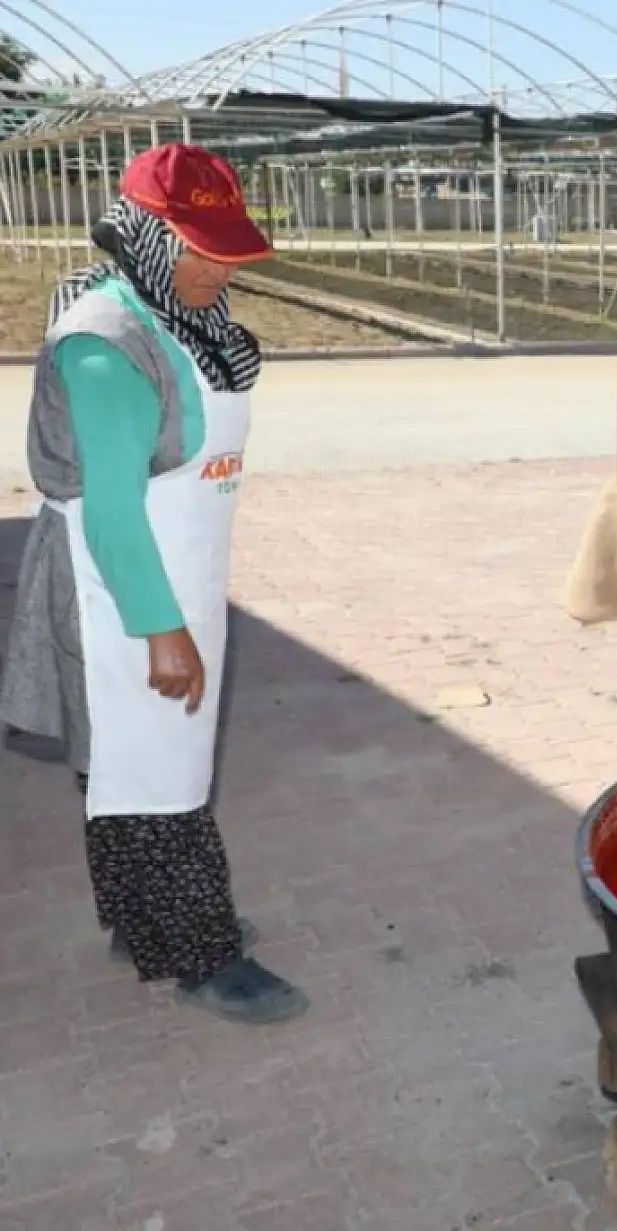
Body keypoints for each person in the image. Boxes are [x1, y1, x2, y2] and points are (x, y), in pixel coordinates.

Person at [0, 145, 307, 1023]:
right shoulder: (106, 342)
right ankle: (201, 954)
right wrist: (158, 625)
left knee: (135, 764)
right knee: (156, 766)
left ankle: (147, 922)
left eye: (228, 247)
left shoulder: (185, 320)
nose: (218, 266)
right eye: (196, 245)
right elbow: (112, 510)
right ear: (140, 236)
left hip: (183, 573)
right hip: (122, 586)